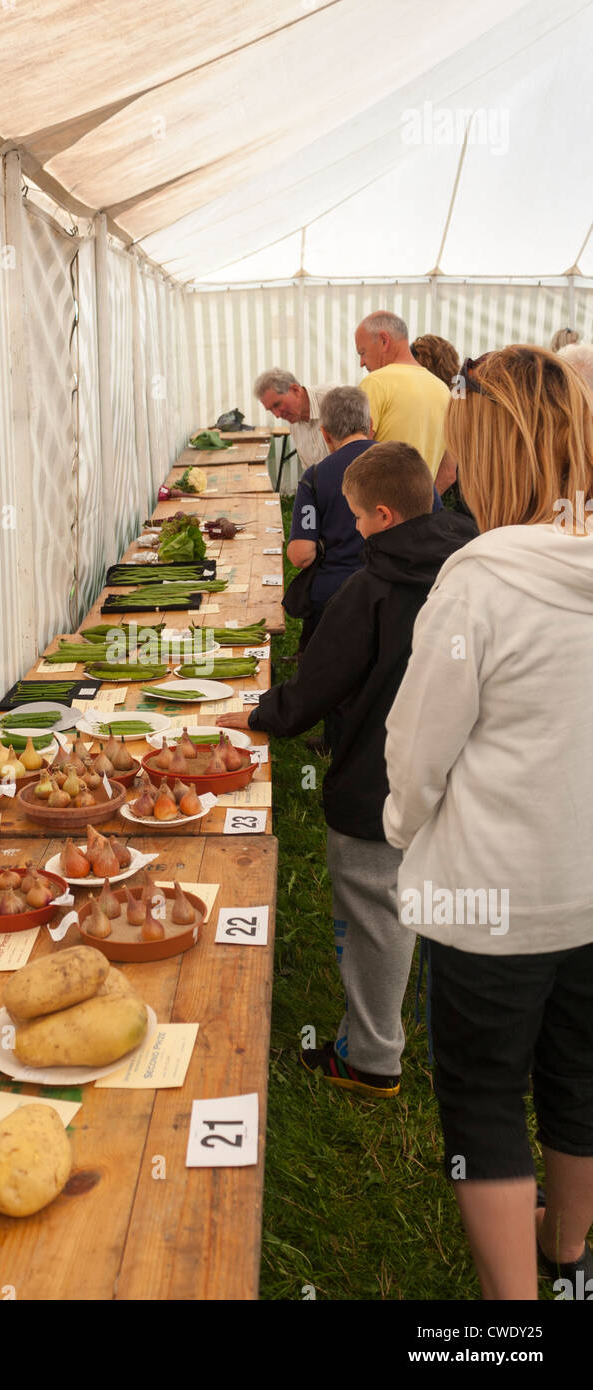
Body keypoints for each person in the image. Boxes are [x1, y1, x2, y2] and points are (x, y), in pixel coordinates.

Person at [383, 346, 593, 1300]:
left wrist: (399, 822)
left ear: (489, 450)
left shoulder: (480, 579)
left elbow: (420, 751)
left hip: (492, 895)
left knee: (482, 1099)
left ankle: (515, 1318)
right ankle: (570, 1257)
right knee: (579, 1080)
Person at [218, 443, 477, 1097]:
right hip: (458, 774)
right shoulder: (467, 566)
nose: (354, 528)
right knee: (405, 902)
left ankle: (370, 1055)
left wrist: (258, 716)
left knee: (371, 909)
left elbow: (316, 688)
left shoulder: (373, 589)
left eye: (358, 517)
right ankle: (396, 1024)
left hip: (379, 781)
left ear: (384, 516)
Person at [286, 385, 374, 652]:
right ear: (370, 425)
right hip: (397, 596)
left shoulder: (314, 477)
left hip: (333, 598)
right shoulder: (407, 464)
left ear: (324, 434)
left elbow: (301, 555)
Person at [355, 312, 454, 493]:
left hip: (380, 512)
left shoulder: (375, 383)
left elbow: (355, 457)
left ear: (384, 340)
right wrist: (422, 505)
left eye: (363, 352)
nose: (361, 362)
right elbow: (448, 472)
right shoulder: (443, 390)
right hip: (423, 513)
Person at [253, 368, 341, 479]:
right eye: (270, 409)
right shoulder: (294, 420)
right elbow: (311, 470)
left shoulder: (336, 398)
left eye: (277, 404)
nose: (277, 415)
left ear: (295, 390)